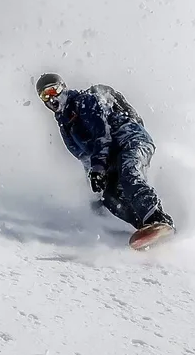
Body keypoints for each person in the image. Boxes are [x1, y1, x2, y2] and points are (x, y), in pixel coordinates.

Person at [36, 72, 174, 234]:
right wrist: (95, 191)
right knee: (109, 197)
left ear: (63, 88)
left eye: (54, 91)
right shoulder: (65, 126)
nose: (51, 98)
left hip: (131, 140)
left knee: (128, 172)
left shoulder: (83, 102)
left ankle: (157, 217)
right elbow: (85, 158)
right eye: (45, 95)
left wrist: (98, 168)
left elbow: (102, 135)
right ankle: (146, 227)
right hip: (111, 157)